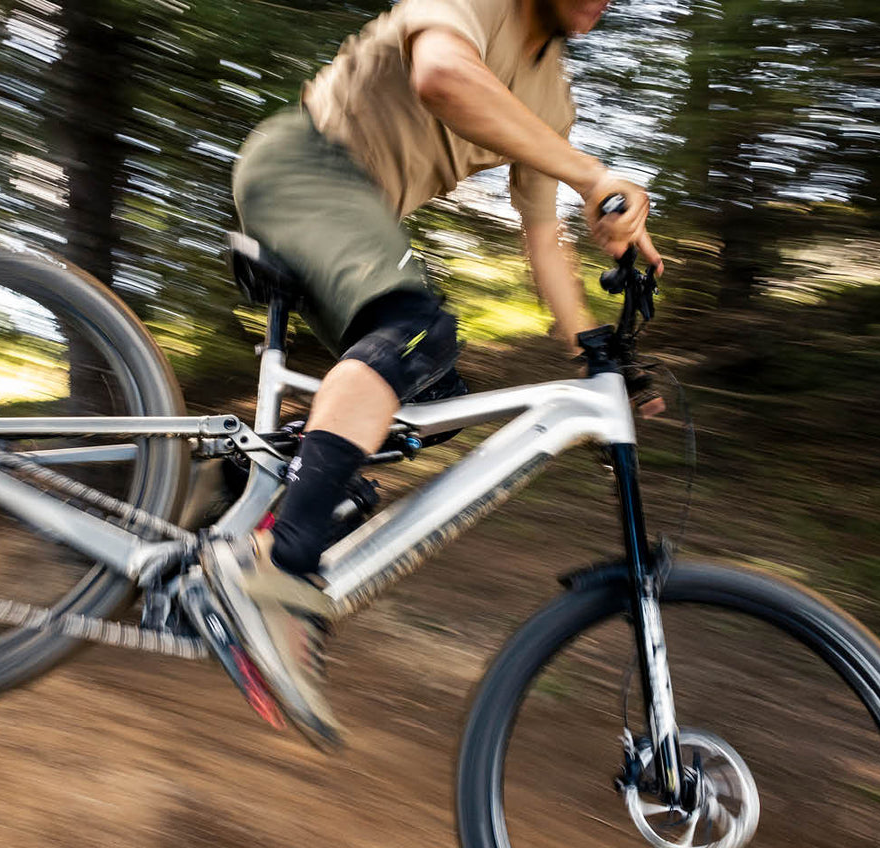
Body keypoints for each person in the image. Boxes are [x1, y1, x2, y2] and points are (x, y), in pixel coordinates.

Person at [204, 0, 665, 745]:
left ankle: (235, 494)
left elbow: (544, 237)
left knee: (431, 401)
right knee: (415, 333)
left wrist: (596, 352)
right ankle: (276, 571)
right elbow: (442, 74)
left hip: (358, 210)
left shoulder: (553, 99)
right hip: (306, 165)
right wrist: (590, 173)